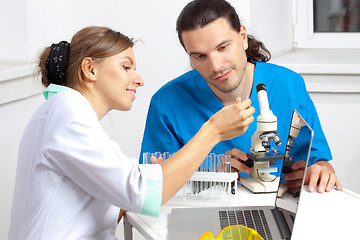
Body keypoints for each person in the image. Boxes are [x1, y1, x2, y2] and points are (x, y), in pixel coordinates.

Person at [8, 26, 255, 239]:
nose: (139, 80)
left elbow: (108, 205)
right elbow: (140, 192)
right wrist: (213, 130)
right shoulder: (68, 111)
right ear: (90, 69)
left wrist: (167, 174)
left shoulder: (58, 112)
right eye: (126, 67)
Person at [140, 0, 342, 194]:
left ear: (243, 37)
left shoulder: (288, 85)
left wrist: (320, 173)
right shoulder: (166, 104)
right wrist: (210, 176)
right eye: (200, 56)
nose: (216, 66)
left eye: (223, 47)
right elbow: (150, 189)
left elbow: (319, 161)